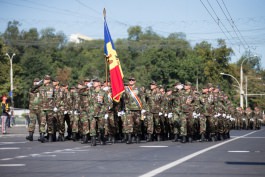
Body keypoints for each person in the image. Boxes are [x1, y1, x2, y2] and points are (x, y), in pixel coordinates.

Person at [123, 77, 144, 144]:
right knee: (129, 123)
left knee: (137, 123)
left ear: (135, 81)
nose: (131, 81)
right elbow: (122, 98)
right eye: (130, 80)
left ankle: (137, 136)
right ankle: (129, 138)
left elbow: (142, 98)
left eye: (132, 80)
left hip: (137, 108)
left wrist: (144, 108)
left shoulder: (139, 89)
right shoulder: (126, 89)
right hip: (129, 108)